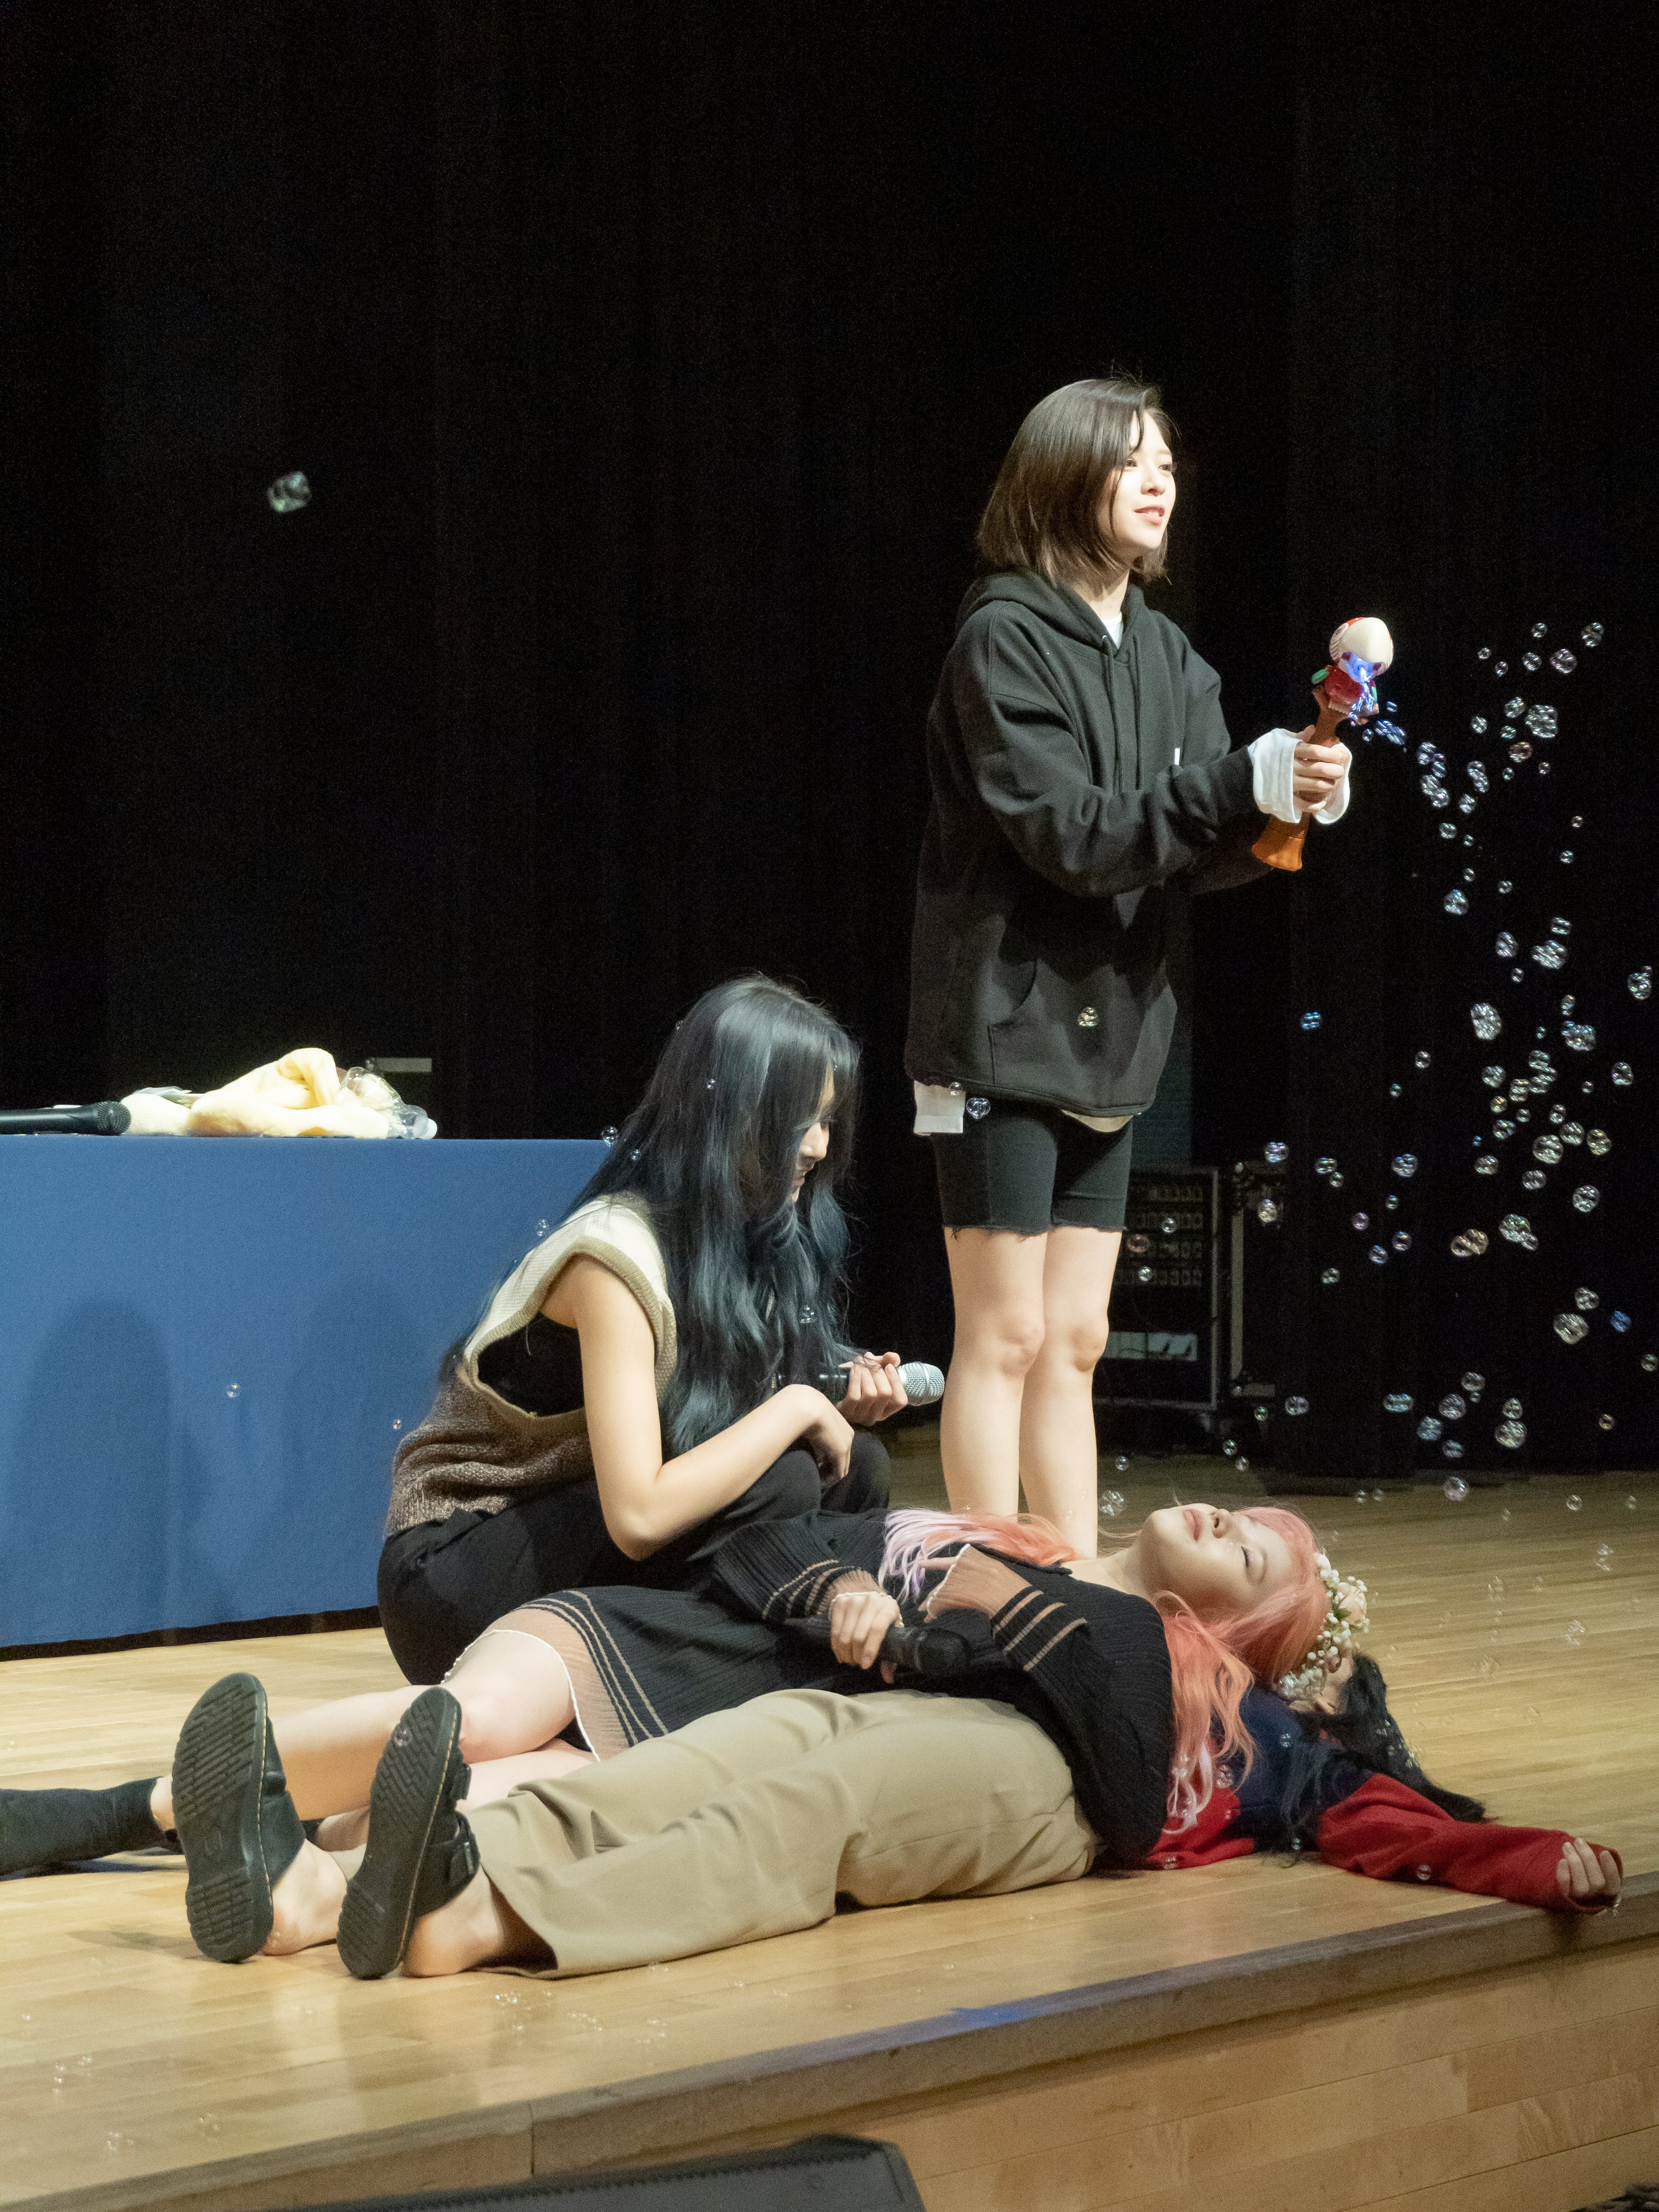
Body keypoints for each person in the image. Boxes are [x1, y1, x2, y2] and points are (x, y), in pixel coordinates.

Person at [906, 376, 1354, 1553]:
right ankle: (987, 1583)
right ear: (1062, 476)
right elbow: (1078, 839)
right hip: (996, 1031)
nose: (1159, 481)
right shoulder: (1002, 638)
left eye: (1166, 462)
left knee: (1077, 1340)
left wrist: (1288, 806)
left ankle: (1077, 1577)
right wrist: (1239, 779)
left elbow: (1185, 852)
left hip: (1111, 1036)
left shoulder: (1168, 654)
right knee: (1004, 1335)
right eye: (1129, 459)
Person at [377, 973, 904, 1682]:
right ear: (727, 1115)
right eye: (796, 1123)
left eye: (827, 1122)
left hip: (576, 1538)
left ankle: (749, 1668)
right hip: (459, 1573)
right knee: (780, 1479)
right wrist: (799, 1405)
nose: (816, 1146)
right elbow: (640, 1516)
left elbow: (716, 1428)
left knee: (854, 1465)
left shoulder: (743, 1241)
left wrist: (832, 1400)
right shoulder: (612, 1257)